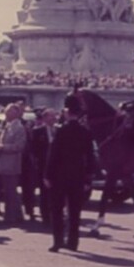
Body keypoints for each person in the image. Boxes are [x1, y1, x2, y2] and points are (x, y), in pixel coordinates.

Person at [44, 94, 94, 252]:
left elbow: (53, 154)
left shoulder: (61, 131)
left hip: (59, 175)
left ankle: (58, 241)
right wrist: (88, 178)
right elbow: (90, 157)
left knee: (57, 210)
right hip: (78, 175)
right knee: (75, 211)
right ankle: (73, 242)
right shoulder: (85, 132)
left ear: (67, 112)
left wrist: (47, 175)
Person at [0, 104, 26, 224]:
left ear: (15, 114)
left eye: (8, 112)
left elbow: (19, 146)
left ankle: (11, 216)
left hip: (12, 163)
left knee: (10, 191)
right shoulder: (7, 126)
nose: (6, 114)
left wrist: (2, 147)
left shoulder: (19, 128)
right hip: (4, 162)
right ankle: (17, 215)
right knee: (9, 191)